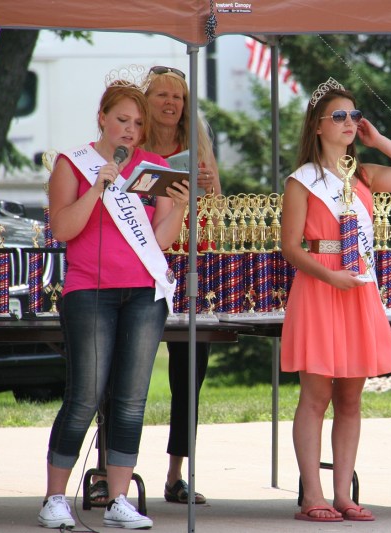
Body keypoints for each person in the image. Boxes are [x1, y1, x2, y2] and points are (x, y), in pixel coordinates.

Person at [39, 78, 190, 530]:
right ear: (102, 118)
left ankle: (119, 500)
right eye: (122, 120)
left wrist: (180, 208)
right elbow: (64, 229)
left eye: (138, 124)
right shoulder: (74, 163)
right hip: (89, 292)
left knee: (130, 400)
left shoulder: (155, 167)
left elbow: (160, 242)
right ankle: (53, 498)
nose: (129, 130)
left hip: (144, 293)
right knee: (85, 396)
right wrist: (98, 188)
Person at [280, 77, 391, 522]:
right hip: (320, 288)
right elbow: (291, 247)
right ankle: (313, 494)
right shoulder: (302, 181)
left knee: (350, 399)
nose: (350, 122)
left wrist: (379, 138)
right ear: (317, 127)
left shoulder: (363, 174)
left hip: (358, 290)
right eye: (340, 116)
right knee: (315, 397)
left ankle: (344, 494)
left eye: (355, 116)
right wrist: (329, 275)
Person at [143, 65, 221, 505]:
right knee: (118, 370)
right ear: (146, 100)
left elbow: (211, 211)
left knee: (190, 371)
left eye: (178, 96)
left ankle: (176, 474)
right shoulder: (130, 145)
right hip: (142, 261)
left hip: (191, 266)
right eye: (161, 96)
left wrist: (207, 187)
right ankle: (108, 469)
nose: (171, 103)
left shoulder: (197, 146)